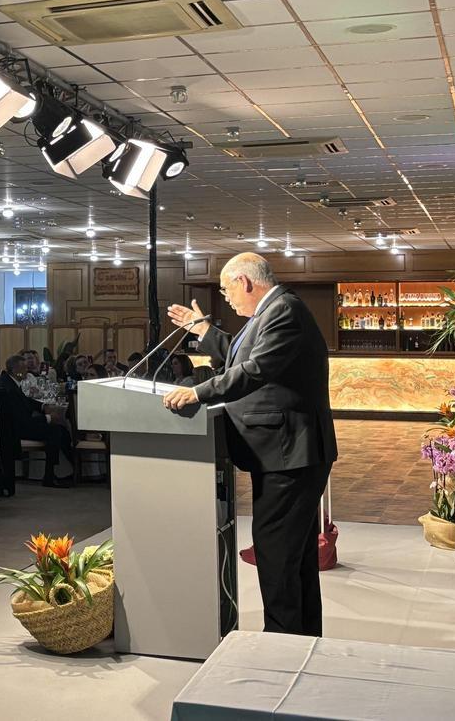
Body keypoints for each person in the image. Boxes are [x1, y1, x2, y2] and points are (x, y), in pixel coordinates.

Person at [163, 253, 337, 637]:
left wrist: (198, 393)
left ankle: (281, 647)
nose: (226, 298)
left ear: (244, 281)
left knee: (277, 556)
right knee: (295, 558)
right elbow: (243, 356)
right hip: (285, 452)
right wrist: (204, 332)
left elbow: (255, 371)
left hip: (290, 454)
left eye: (227, 290)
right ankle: (301, 642)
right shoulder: (271, 312)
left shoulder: (283, 311)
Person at [0, 355, 73, 488]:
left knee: (61, 431)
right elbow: (22, 419)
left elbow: (25, 401)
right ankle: (49, 476)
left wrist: (43, 406)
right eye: (24, 368)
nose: (27, 371)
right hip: (16, 429)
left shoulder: (10, 381)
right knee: (54, 431)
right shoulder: (9, 388)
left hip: (20, 424)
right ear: (16, 370)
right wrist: (48, 418)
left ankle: (72, 468)